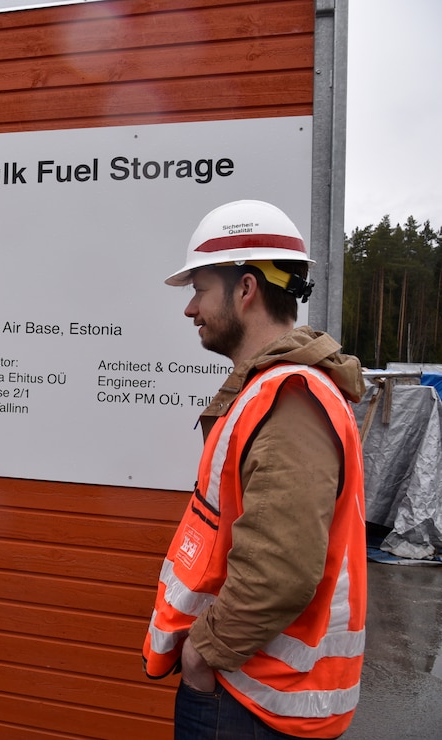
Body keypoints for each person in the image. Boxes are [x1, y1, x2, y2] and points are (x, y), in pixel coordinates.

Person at [143, 200, 368, 739]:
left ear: (245, 290)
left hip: (252, 699)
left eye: (199, 289)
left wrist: (204, 655)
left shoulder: (288, 399)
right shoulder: (269, 391)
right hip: (250, 693)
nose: (190, 309)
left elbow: (281, 569)